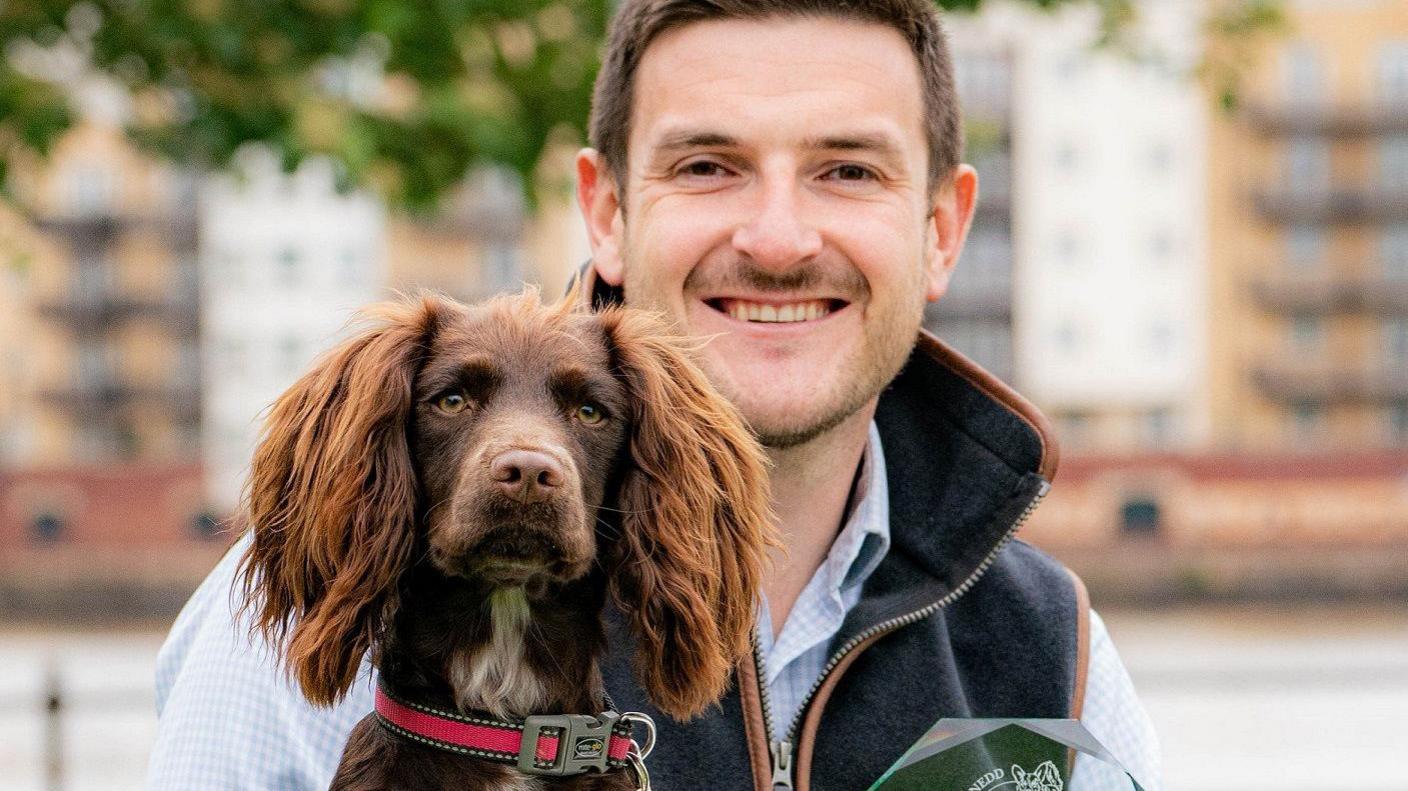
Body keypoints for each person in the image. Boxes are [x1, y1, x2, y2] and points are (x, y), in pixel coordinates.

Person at [149, 1, 1161, 789]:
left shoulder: (1047, 648)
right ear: (606, 209)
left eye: (846, 170)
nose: (777, 238)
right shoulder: (323, 600)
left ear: (943, 228)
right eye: (708, 164)